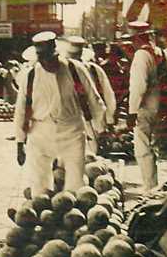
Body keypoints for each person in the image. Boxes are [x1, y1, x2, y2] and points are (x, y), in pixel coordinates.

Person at [13, 32, 107, 198]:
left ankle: (73, 216)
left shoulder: (75, 69)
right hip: (40, 131)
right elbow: (21, 109)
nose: (46, 61)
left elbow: (94, 99)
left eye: (49, 56)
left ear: (56, 52)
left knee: (75, 181)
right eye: (41, 57)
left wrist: (100, 129)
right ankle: (41, 211)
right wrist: (20, 143)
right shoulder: (30, 75)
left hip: (72, 130)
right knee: (39, 182)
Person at [66, 36, 117, 156]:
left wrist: (107, 122)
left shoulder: (94, 69)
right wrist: (108, 121)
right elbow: (108, 97)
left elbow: (106, 96)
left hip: (84, 122)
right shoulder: (93, 69)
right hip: (87, 122)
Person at [127, 21, 161, 192]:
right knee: (151, 146)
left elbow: (138, 86)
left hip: (144, 105)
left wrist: (132, 111)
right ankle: (152, 184)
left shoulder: (141, 55)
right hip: (155, 103)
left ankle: (149, 187)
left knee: (142, 148)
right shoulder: (155, 52)